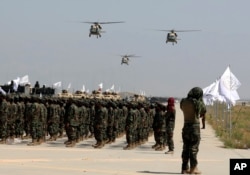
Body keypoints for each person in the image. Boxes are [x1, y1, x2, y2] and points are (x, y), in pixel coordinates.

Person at [180, 87, 206, 174]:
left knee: (186, 148)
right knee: (193, 149)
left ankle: (184, 168)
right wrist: (201, 100)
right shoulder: (197, 103)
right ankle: (193, 168)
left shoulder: (183, 102)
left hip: (185, 127)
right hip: (195, 128)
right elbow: (203, 110)